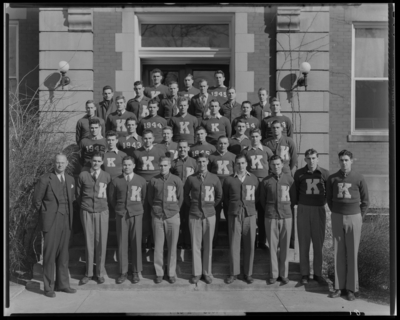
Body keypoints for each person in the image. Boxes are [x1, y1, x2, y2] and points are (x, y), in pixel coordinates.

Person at [327, 150, 369, 301]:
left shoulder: (359, 178)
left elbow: (365, 201)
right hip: (337, 216)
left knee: (352, 253)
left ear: (352, 161)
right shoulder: (332, 178)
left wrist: (359, 217)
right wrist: (337, 212)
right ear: (339, 162)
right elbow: (329, 200)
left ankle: (351, 289)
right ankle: (339, 287)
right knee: (338, 252)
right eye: (341, 160)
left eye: (346, 160)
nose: (344, 163)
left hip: (354, 218)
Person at [32, 153, 76, 297]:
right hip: (51, 221)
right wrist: (46, 214)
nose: (60, 165)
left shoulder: (70, 179)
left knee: (64, 254)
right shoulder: (45, 179)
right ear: (54, 163)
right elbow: (37, 200)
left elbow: (72, 199)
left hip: (66, 220)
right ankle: (48, 287)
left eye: (62, 163)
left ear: (67, 163)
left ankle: (62, 285)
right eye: (57, 162)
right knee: (49, 255)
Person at [292, 148, 330, 285]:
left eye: (314, 158)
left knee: (318, 242)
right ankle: (305, 273)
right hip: (303, 208)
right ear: (305, 159)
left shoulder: (325, 173)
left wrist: (322, 203)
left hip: (319, 209)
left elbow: (329, 193)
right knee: (304, 242)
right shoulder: (299, 173)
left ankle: (318, 274)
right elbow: (295, 191)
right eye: (308, 158)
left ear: (318, 159)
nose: (311, 161)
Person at [183, 154, 223, 284]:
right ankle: (196, 272)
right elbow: (185, 195)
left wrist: (210, 206)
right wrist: (194, 205)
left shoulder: (214, 178)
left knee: (208, 245)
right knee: (195, 245)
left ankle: (207, 272)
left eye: (204, 161)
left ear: (207, 162)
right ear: (196, 163)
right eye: (199, 162)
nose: (202, 164)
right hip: (194, 214)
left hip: (209, 215)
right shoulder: (191, 179)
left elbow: (219, 196)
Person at [108, 156, 147, 284]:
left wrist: (136, 208)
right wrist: (120, 209)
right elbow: (112, 199)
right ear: (122, 166)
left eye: (129, 165)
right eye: (125, 165)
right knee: (122, 243)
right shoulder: (116, 181)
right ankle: (123, 271)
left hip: (136, 214)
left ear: (134, 166)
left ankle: (136, 271)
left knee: (136, 242)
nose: (127, 167)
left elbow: (144, 198)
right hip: (122, 214)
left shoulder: (141, 180)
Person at [223, 154, 259, 284]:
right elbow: (225, 198)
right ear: (235, 165)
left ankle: (248, 273)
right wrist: (234, 208)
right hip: (235, 214)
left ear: (247, 164)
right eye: (238, 163)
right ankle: (233, 273)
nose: (241, 166)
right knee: (234, 244)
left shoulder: (253, 179)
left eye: (243, 163)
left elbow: (258, 197)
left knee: (250, 243)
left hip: (250, 214)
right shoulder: (228, 180)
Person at [147, 156, 183, 284]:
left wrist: (174, 210)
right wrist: (157, 210)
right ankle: (159, 272)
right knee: (158, 246)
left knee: (172, 246)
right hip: (158, 216)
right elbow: (150, 198)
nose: (163, 168)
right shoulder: (154, 180)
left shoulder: (176, 180)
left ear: (169, 166)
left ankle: (171, 273)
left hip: (172, 216)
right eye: (161, 165)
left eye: (165, 165)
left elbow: (181, 198)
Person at [77, 152, 111, 285]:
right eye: (94, 161)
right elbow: (78, 194)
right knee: (88, 241)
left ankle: (100, 273)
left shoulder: (107, 176)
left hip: (102, 211)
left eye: (98, 161)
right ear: (91, 161)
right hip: (87, 211)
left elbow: (111, 195)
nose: (96, 163)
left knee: (101, 242)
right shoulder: (83, 175)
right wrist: (85, 206)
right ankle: (88, 273)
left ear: (102, 162)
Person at [260, 155, 294, 285]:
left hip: (286, 216)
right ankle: (274, 274)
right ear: (270, 166)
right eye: (273, 165)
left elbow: (293, 198)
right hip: (271, 216)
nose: (276, 167)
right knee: (272, 246)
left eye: (278, 164)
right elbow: (263, 200)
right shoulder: (266, 181)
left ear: (282, 164)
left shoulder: (290, 180)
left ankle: (284, 274)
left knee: (285, 246)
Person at [132, 130, 167, 250]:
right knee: (143, 211)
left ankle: (154, 240)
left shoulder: (160, 151)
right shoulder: (137, 152)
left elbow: (164, 167)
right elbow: (134, 170)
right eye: (145, 138)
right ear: (142, 140)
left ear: (153, 139)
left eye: (149, 138)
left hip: (155, 183)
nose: (147, 141)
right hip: (141, 184)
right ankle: (143, 239)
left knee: (155, 210)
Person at [241, 128, 274, 250]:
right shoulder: (245, 152)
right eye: (252, 136)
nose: (254, 138)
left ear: (260, 137)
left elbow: (273, 165)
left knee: (262, 211)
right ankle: (249, 239)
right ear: (249, 138)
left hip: (263, 183)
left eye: (256, 136)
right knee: (249, 211)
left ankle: (261, 241)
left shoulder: (266, 150)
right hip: (250, 184)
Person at [208, 136, 236, 248]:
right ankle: (213, 241)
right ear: (216, 144)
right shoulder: (211, 157)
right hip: (215, 190)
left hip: (229, 189)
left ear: (228, 144)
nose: (222, 145)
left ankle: (232, 240)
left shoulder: (233, 157)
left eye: (225, 143)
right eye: (220, 143)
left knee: (230, 214)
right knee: (215, 214)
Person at [170, 140, 198, 250]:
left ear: (188, 148)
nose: (182, 149)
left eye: (184, 147)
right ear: (177, 149)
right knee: (178, 219)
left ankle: (188, 241)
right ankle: (178, 241)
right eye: (180, 147)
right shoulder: (173, 163)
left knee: (188, 219)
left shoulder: (194, 162)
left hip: (190, 195)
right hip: (176, 196)